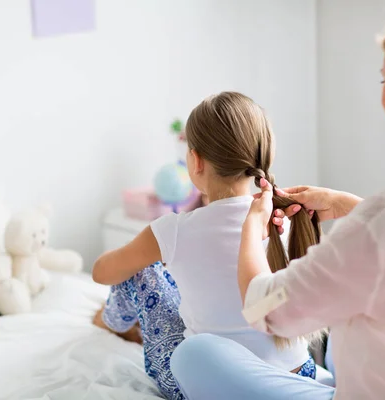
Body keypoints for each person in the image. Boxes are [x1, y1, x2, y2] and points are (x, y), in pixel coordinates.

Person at [170, 1, 385, 399]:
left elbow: (264, 309)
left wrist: (249, 231)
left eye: (384, 80)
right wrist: (351, 207)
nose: (383, 96)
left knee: (194, 354)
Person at [92, 92, 328, 400]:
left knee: (140, 269)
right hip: (298, 375)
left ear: (196, 160)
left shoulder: (173, 230)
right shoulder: (289, 218)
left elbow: (102, 272)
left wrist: (146, 254)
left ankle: (112, 323)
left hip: (210, 383)